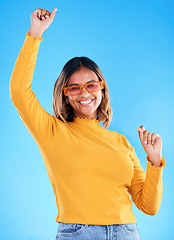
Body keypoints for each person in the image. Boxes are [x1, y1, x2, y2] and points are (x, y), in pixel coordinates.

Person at [9, 8, 166, 240]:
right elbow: (19, 92)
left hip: (127, 232)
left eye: (92, 85)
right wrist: (35, 33)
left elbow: (149, 207)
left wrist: (154, 160)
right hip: (78, 233)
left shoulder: (120, 142)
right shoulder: (52, 131)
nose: (85, 94)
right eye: (74, 87)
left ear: (102, 88)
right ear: (65, 95)